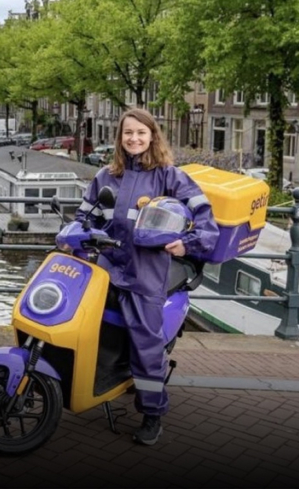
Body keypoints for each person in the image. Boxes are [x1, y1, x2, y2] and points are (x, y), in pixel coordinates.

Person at [75, 108, 218, 446]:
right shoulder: (106, 176)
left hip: (146, 273)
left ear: (153, 136)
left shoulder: (170, 177)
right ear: (119, 137)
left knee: (146, 345)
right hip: (107, 268)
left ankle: (153, 414)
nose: (134, 138)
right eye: (128, 133)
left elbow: (205, 219)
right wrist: (75, 236)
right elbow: (84, 217)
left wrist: (187, 244)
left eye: (141, 132)